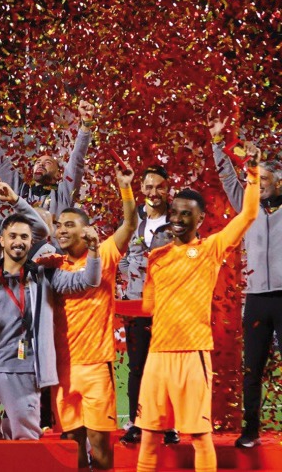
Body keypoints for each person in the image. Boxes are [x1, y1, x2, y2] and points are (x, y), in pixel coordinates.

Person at [135, 151, 261, 472]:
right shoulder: (157, 257)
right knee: (149, 436)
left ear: (201, 218)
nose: (176, 218)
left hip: (192, 356)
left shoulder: (211, 249)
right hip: (158, 357)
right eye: (174, 213)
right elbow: (149, 305)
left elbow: (247, 215)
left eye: (185, 214)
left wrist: (254, 175)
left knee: (199, 438)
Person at [0, 214, 101, 440]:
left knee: (26, 441)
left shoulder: (45, 275)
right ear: (2, 240)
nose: (18, 241)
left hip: (23, 374)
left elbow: (87, 281)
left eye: (24, 237)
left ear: (32, 242)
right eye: (12, 236)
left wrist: (93, 251)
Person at [50, 166, 138, 469]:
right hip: (61, 368)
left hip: (96, 367)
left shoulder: (103, 254)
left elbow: (130, 224)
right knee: (71, 447)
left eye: (69, 225)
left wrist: (125, 189)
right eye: (59, 225)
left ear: (85, 229)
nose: (61, 230)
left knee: (101, 450)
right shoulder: (51, 263)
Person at [209, 120, 282, 448]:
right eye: (257, 178)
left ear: (278, 182)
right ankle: (250, 430)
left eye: (265, 179)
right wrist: (217, 142)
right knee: (251, 367)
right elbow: (228, 176)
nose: (260, 184)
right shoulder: (246, 208)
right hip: (255, 298)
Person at [116, 165, 177, 446]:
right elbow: (125, 255)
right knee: (138, 366)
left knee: (167, 367)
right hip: (138, 305)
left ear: (168, 188)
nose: (154, 192)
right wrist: (131, 282)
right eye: (149, 187)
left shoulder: (178, 219)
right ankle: (137, 423)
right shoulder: (134, 219)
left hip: (169, 307)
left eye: (159, 186)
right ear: (142, 189)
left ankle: (169, 426)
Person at [0, 99, 95, 216]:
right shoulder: (20, 191)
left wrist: (86, 123)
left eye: (48, 162)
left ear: (58, 175)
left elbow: (77, 159)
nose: (40, 164)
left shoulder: (64, 193)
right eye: (38, 162)